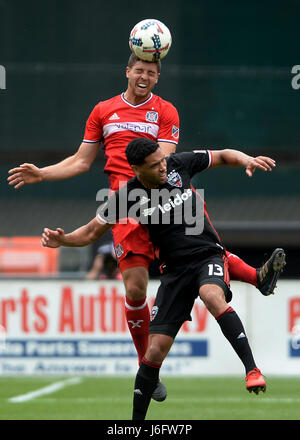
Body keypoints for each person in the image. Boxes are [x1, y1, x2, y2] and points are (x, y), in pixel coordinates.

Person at [7, 54, 283, 401]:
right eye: (139, 70)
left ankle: (257, 279)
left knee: (198, 249)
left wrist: (177, 180)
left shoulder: (166, 112)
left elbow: (161, 159)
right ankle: (147, 367)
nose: (144, 77)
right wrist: (42, 173)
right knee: (136, 289)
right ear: (127, 71)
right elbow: (80, 161)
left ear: (157, 77)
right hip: (124, 205)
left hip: (160, 190)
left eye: (151, 73)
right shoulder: (103, 111)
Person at [41, 139, 286, 420]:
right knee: (154, 352)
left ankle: (252, 369)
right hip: (173, 273)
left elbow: (222, 155)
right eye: (154, 165)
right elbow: (90, 231)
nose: (162, 167)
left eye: (162, 160)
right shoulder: (127, 197)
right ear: (136, 169)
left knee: (211, 295)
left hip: (207, 256)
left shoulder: (178, 164)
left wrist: (246, 159)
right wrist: (63, 240)